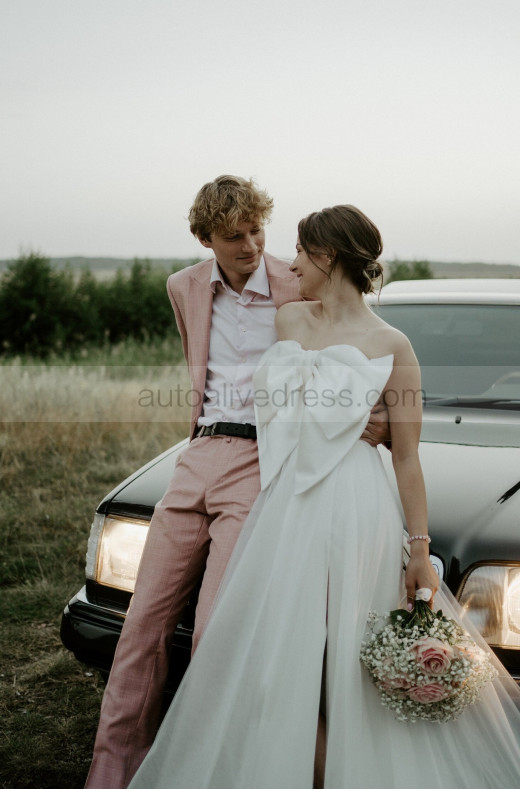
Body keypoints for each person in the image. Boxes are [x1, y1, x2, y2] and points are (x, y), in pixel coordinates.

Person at [129, 205, 520, 789]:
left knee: (344, 663)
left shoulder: (393, 345)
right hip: (286, 508)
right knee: (273, 657)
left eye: (303, 253)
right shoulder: (290, 322)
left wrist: (418, 548)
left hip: (357, 510)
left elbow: (408, 457)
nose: (292, 262)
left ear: (328, 257)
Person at [85, 179, 390, 789]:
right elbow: (200, 367)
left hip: (261, 461)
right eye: (234, 236)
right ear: (206, 240)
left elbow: (359, 358)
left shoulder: (299, 281)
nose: (251, 245)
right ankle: (113, 772)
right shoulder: (184, 288)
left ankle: (215, 768)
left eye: (258, 231)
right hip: (197, 453)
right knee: (142, 622)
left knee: (218, 628)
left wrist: (364, 425)